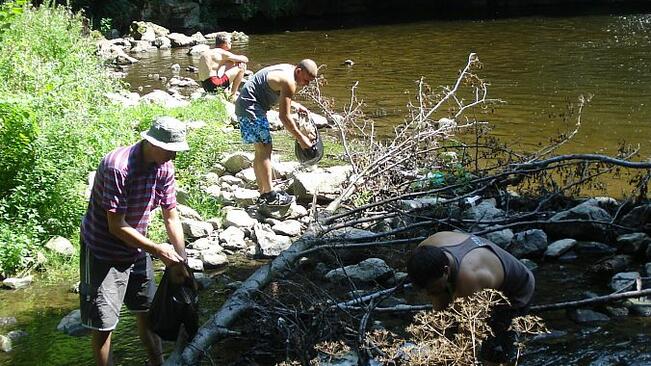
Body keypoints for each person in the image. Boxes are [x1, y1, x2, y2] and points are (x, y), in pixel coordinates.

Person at [79, 116, 189, 366]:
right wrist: (158, 249)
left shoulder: (165, 167)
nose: (174, 157)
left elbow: (171, 216)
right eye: (171, 151)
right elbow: (115, 226)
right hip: (102, 251)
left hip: (138, 248)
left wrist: (181, 259)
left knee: (148, 314)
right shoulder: (117, 167)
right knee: (104, 324)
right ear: (153, 144)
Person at [406, 231, 535, 364]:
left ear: (446, 271)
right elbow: (442, 319)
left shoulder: (470, 279)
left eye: (431, 289)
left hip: (515, 290)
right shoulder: (424, 252)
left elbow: (468, 342)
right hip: (478, 275)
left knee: (495, 352)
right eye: (425, 289)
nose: (428, 294)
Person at [234, 59, 317, 206]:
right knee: (265, 149)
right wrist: (302, 139)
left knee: (261, 150)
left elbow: (273, 90)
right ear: (298, 71)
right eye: (306, 80)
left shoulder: (288, 69)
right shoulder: (289, 81)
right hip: (251, 109)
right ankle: (270, 196)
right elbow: (284, 117)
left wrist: (295, 105)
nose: (306, 84)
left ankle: (263, 193)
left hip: (244, 105)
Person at [198, 32, 248, 100]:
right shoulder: (222, 53)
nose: (231, 43)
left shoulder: (208, 52)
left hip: (205, 86)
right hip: (214, 85)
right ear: (225, 44)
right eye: (230, 42)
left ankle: (226, 91)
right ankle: (232, 96)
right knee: (242, 66)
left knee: (230, 62)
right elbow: (245, 59)